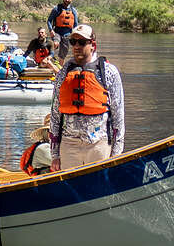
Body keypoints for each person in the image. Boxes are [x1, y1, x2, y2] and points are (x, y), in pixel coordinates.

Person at [49, 24, 124, 172]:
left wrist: (116, 154)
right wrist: (55, 155)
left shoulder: (109, 72)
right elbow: (55, 115)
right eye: (73, 42)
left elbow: (118, 115)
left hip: (99, 145)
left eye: (82, 42)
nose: (76, 46)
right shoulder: (63, 74)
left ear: (92, 45)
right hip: (69, 146)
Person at [47, 0, 79, 64]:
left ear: (71, 0)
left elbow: (76, 24)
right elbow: (49, 21)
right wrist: (51, 30)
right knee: (55, 43)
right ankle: (48, 58)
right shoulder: (56, 9)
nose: (67, 0)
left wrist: (75, 35)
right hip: (57, 32)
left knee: (63, 55)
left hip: (67, 35)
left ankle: (60, 70)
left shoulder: (73, 11)